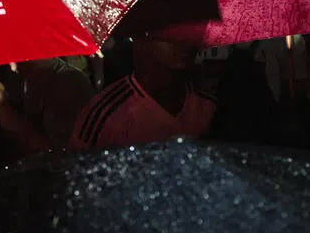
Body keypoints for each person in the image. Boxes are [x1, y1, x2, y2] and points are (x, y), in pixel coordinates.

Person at [69, 37, 215, 149]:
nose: (182, 41)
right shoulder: (106, 114)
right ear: (145, 37)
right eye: (170, 33)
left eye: (190, 31)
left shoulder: (209, 107)